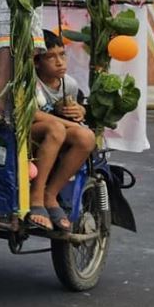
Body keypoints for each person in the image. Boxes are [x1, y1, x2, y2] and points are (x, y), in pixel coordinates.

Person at [29, 39, 97, 233]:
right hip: (27, 133)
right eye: (51, 57)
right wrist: (70, 123)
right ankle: (36, 196)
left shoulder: (70, 84)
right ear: (36, 61)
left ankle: (51, 195)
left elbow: (72, 111)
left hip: (55, 136)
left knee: (86, 138)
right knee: (56, 128)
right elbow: (32, 113)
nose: (60, 62)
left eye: (62, 55)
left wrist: (79, 111)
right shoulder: (30, 81)